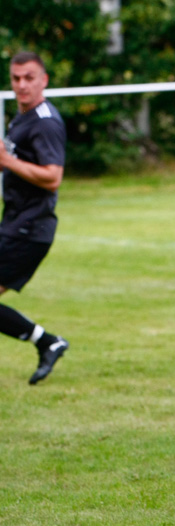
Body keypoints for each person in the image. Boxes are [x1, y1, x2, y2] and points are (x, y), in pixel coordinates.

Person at [0, 51, 69, 384]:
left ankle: (47, 340)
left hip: (31, 228)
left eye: (29, 78)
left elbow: (53, 176)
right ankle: (47, 341)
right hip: (15, 222)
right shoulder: (22, 116)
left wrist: (8, 162)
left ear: (44, 80)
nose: (21, 85)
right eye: (16, 78)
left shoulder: (45, 122)